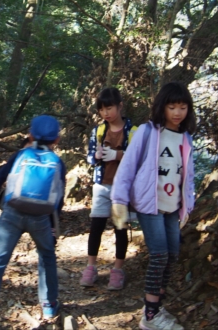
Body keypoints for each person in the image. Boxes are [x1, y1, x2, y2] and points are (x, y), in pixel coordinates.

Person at [0, 116, 66, 330]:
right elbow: (58, 199)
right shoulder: (57, 163)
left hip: (12, 213)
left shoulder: (20, 155)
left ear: (30, 135)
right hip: (40, 219)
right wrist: (54, 226)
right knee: (47, 256)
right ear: (56, 139)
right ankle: (49, 304)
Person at [111, 82, 196, 330]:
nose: (178, 112)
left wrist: (187, 207)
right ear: (162, 107)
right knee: (159, 255)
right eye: (172, 107)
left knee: (171, 257)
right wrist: (119, 201)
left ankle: (157, 307)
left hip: (173, 207)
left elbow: (188, 176)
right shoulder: (147, 133)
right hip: (150, 205)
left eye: (182, 107)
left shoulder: (186, 138)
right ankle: (149, 316)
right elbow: (127, 168)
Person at [80, 87, 134, 290]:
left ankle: (118, 270)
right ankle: (90, 267)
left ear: (120, 106)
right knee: (96, 227)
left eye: (109, 108)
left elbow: (138, 160)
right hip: (101, 185)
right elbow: (89, 156)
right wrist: (96, 157)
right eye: (101, 109)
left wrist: (118, 156)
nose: (106, 113)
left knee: (120, 228)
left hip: (122, 187)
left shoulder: (133, 131)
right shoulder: (99, 131)